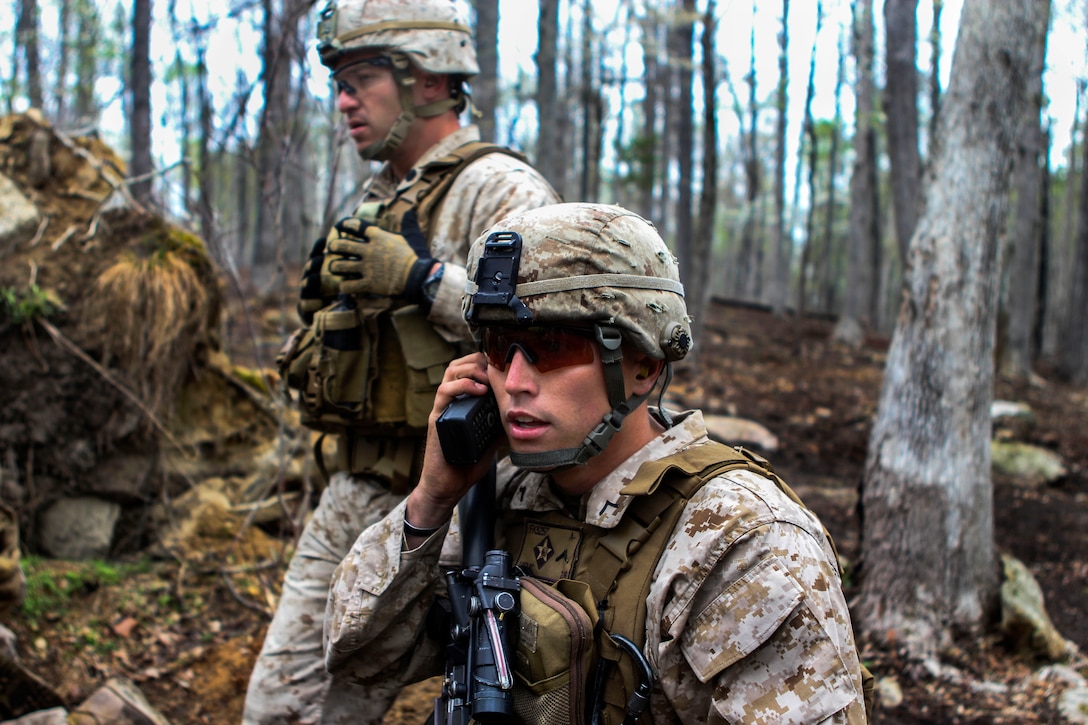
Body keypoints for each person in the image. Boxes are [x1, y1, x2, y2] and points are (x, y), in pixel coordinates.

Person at [323, 202, 871, 724]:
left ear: (644, 366)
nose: (513, 382)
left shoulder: (738, 542)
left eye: (553, 347)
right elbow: (360, 658)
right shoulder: (509, 491)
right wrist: (432, 500)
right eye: (498, 347)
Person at [243, 0, 559, 721]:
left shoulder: (502, 189)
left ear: (423, 79)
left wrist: (424, 280)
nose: (343, 101)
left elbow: (549, 333)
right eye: (339, 84)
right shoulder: (377, 196)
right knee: (281, 707)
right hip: (358, 488)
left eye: (360, 78)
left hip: (467, 501)